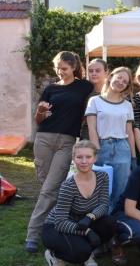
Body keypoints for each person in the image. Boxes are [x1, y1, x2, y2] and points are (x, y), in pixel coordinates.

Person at [25, 51, 93, 253]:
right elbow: (39, 119)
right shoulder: (50, 88)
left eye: (64, 68)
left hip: (66, 141)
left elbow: (96, 100)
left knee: (48, 190)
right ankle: (56, 224)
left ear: (73, 67)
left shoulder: (84, 86)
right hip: (43, 139)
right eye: (57, 68)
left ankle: (33, 236)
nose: (60, 72)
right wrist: (40, 111)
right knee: (48, 188)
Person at [42, 140, 116, 266]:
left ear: (95, 158)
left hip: (82, 221)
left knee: (110, 223)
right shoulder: (68, 186)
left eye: (88, 157)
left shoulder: (102, 177)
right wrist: (87, 232)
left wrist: (90, 217)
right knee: (80, 253)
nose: (84, 161)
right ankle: (54, 255)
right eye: (79, 157)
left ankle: (88, 256)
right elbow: (60, 222)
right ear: (73, 159)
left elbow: (104, 204)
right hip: (57, 227)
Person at [86, 67, 136, 212]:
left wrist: (133, 158)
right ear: (110, 77)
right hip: (101, 147)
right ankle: (96, 220)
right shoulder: (94, 101)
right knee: (100, 189)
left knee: (119, 190)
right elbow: (92, 128)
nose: (121, 82)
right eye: (119, 77)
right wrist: (96, 151)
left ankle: (111, 223)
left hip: (122, 149)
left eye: (125, 81)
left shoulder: (127, 105)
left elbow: (130, 133)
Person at [81, 58, 109, 140]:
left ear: (106, 72)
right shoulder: (84, 93)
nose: (94, 73)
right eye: (90, 71)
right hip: (88, 137)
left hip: (108, 137)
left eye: (97, 71)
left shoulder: (114, 92)